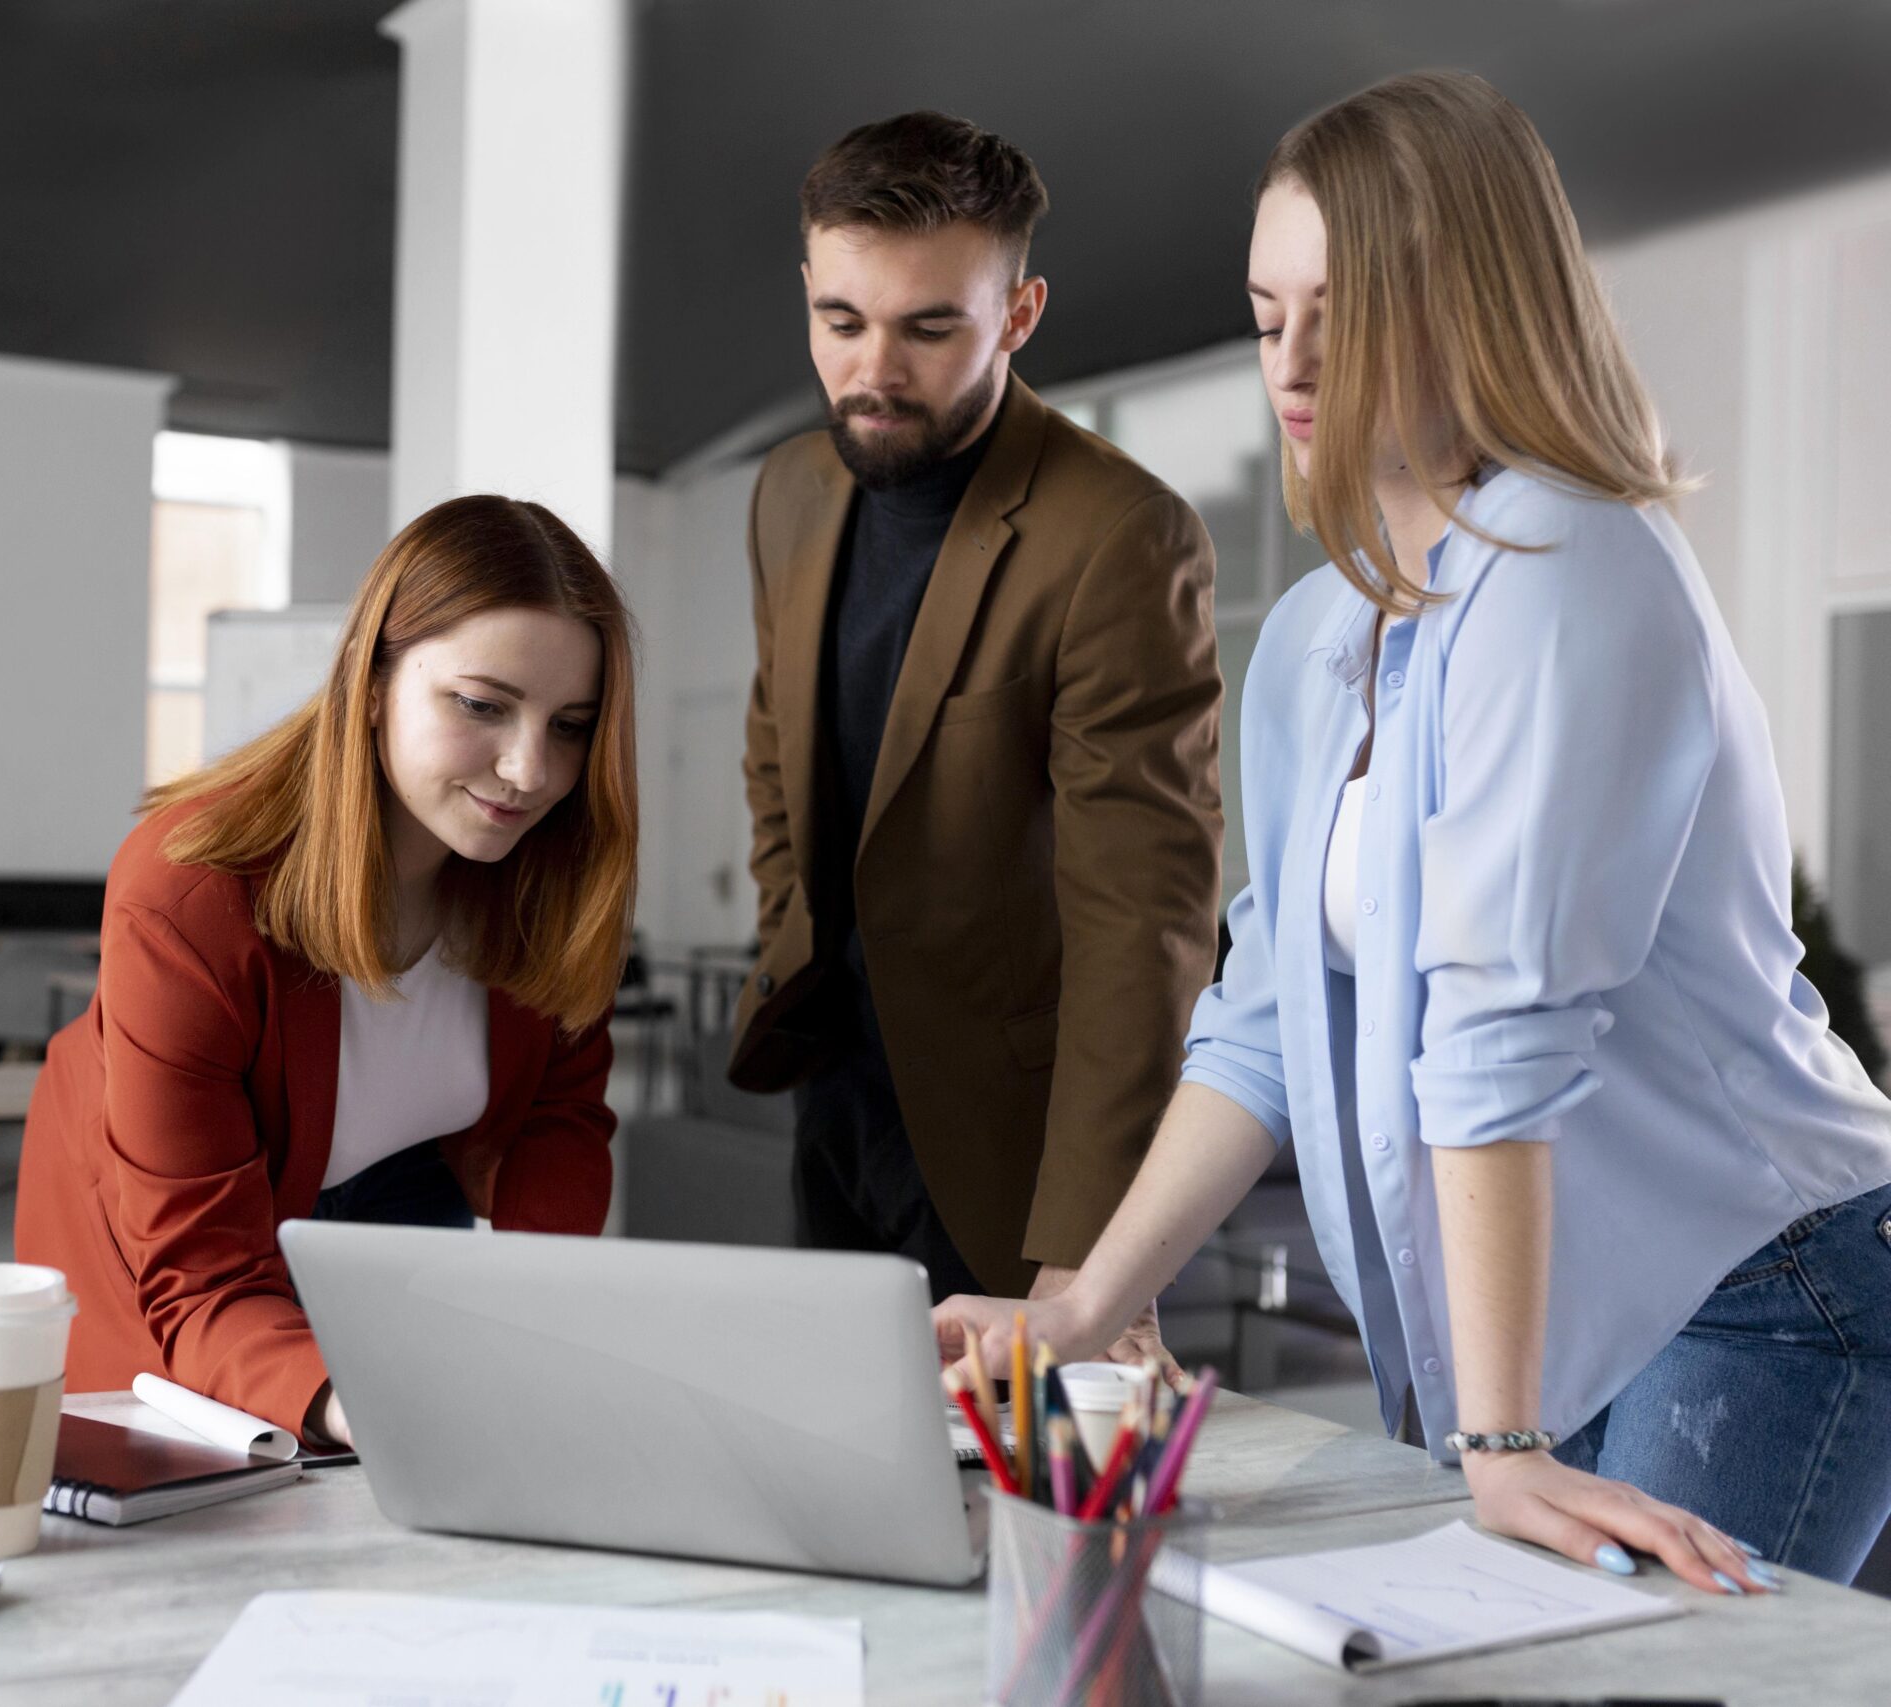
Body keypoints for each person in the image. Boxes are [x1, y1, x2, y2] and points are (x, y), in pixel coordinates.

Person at [935, 71, 1891, 1590]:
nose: (1294, 360)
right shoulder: (1328, 633)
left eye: (1345, 306)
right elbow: (1257, 1024)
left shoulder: (1575, 561)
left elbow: (1499, 1020)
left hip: (1760, 1273)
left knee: (1623, 1686)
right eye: (1266, 314)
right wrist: (1068, 1311)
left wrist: (1497, 1443)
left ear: (1474, 304)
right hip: (1560, 1297)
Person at [733, 111, 1223, 1358]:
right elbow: (775, 757)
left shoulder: (1120, 534)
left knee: (1026, 1534)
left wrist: (1087, 1263)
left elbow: (1143, 918)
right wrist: (790, 937)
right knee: (846, 1491)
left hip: (1011, 1149)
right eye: (840, 322)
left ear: (1017, 313)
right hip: (832, 1102)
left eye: (928, 326)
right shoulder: (790, 489)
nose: (873, 371)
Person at [15, 495, 638, 1447]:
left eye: (571, 725)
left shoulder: (552, 872)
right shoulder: (190, 892)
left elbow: (559, 1123)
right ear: (374, 678)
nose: (528, 770)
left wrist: (538, 1328)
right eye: (482, 705)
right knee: (213, 1493)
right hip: (166, 1238)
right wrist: (373, 1403)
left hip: (394, 1194)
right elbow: (205, 1278)